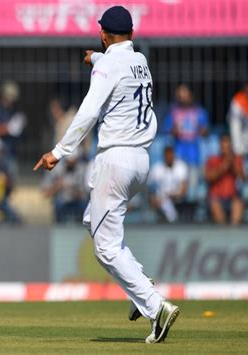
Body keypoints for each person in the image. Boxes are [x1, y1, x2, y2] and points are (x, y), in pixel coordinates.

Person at [34, 6, 179, 344]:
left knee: (105, 247)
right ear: (132, 33)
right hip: (141, 162)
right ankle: (139, 288)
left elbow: (87, 112)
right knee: (92, 221)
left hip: (115, 160)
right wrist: (96, 59)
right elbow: (114, 66)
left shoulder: (110, 64)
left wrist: (58, 152)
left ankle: (155, 307)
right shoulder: (139, 60)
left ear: (102, 35)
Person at [162, 84, 209, 202]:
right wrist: (174, 130)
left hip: (194, 155)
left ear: (191, 95)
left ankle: (191, 212)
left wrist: (203, 130)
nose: (182, 98)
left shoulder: (200, 112)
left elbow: (206, 132)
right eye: (180, 95)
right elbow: (166, 130)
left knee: (192, 189)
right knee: (179, 188)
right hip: (178, 155)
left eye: (185, 94)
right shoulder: (173, 112)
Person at [204, 134, 245, 225]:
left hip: (232, 197)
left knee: (238, 204)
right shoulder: (212, 160)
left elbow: (243, 177)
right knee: (215, 206)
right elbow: (208, 177)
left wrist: (233, 164)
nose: (225, 149)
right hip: (216, 197)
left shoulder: (236, 159)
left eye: (228, 147)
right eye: (223, 147)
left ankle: (234, 232)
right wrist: (223, 167)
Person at [148, 146, 188, 223]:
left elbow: (183, 189)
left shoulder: (181, 167)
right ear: (164, 156)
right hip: (160, 198)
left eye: (171, 155)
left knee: (166, 201)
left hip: (176, 196)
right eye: (167, 155)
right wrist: (153, 199)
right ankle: (173, 219)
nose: (169, 157)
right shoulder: (157, 168)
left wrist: (172, 195)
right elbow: (150, 187)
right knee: (164, 201)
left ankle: (172, 219)